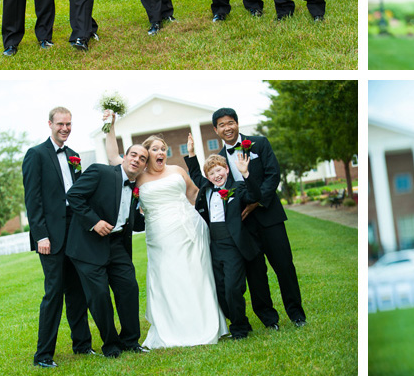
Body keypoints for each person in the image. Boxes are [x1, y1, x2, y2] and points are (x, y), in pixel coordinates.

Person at [103, 114, 229, 348]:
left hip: (190, 231)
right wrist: (110, 126)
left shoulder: (178, 171)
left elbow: (195, 195)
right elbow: (112, 156)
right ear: (146, 154)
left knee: (195, 277)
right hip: (160, 236)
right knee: (169, 278)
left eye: (164, 148)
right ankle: (173, 326)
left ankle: (204, 322)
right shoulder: (138, 176)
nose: (161, 152)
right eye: (155, 149)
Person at [211, 108, 306, 327]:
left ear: (237, 123)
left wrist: (257, 202)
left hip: (269, 215)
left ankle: (296, 314)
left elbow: (273, 175)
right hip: (243, 223)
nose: (228, 128)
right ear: (216, 130)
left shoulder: (259, 144)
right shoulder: (219, 159)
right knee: (255, 274)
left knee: (284, 267)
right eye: (222, 125)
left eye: (231, 122)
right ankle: (269, 318)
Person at [21, 106, 94, 368]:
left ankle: (82, 345)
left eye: (69, 124)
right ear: (50, 124)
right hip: (50, 235)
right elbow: (33, 199)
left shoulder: (74, 156)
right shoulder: (36, 154)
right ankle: (43, 356)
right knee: (54, 293)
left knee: (77, 292)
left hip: (75, 231)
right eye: (60, 124)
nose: (65, 128)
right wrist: (40, 235)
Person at [65, 142, 149, 358]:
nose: (136, 160)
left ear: (144, 165)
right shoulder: (100, 171)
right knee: (100, 296)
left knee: (129, 289)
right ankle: (111, 345)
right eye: (133, 154)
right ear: (125, 156)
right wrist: (95, 222)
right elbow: (74, 195)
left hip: (117, 243)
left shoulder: (136, 185)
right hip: (88, 245)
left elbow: (135, 222)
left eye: (142, 158)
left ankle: (131, 341)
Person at [185, 134, 261, 339]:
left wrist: (246, 174)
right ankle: (239, 320)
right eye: (212, 172)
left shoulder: (238, 187)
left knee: (232, 289)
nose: (216, 174)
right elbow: (193, 173)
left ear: (226, 170)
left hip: (234, 245)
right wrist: (191, 153)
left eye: (219, 170)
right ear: (208, 177)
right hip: (214, 245)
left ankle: (239, 328)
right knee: (220, 291)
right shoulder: (207, 188)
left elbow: (254, 197)